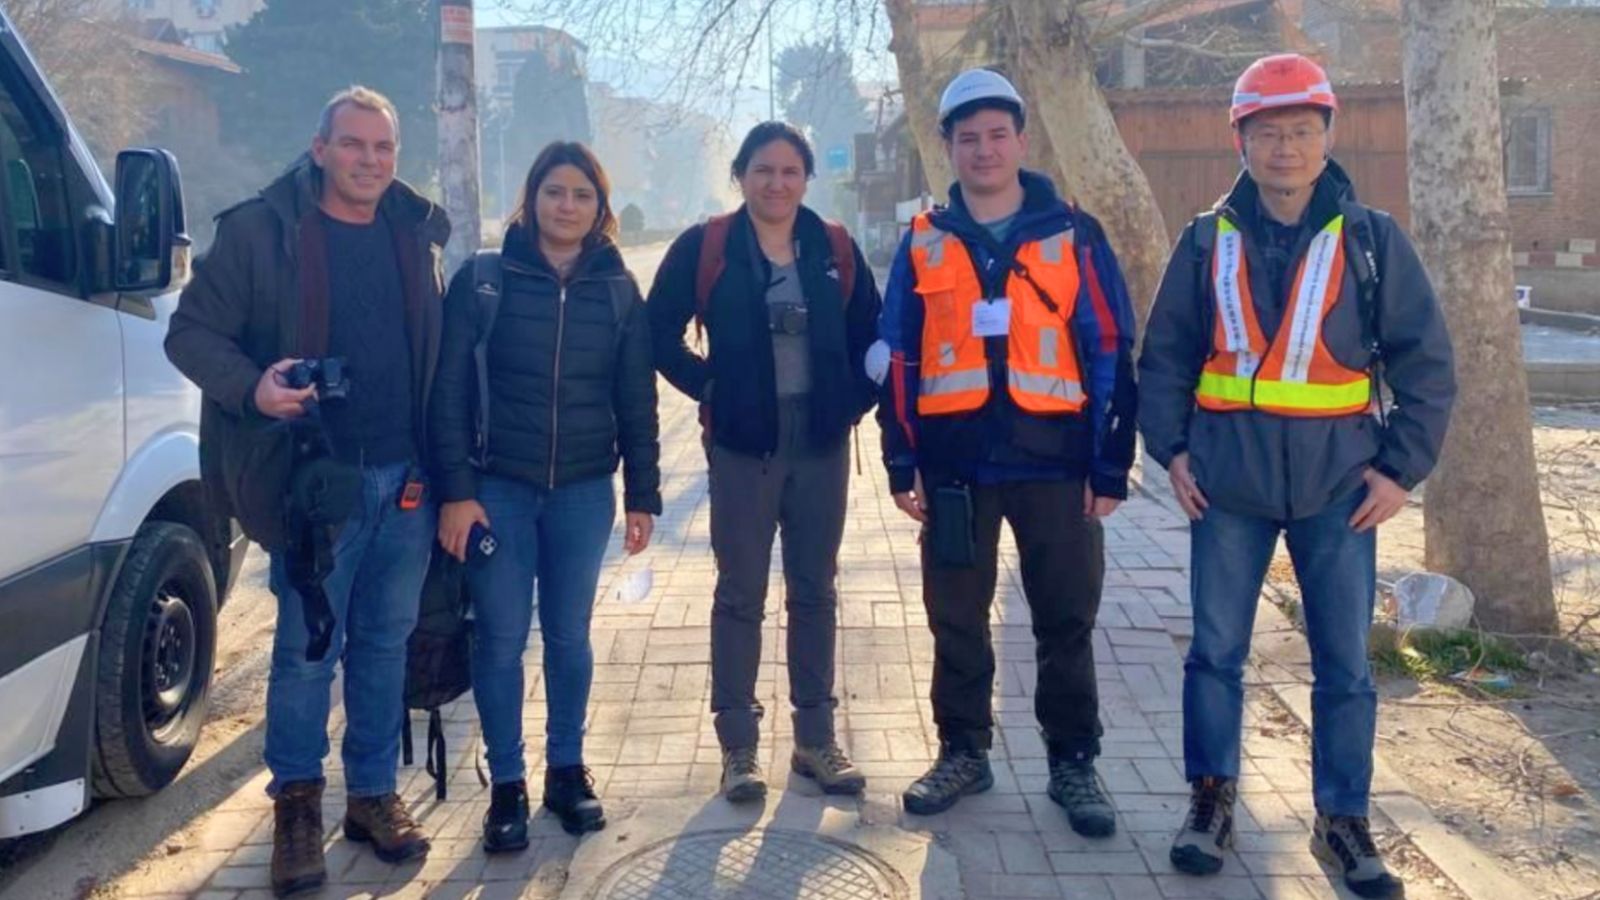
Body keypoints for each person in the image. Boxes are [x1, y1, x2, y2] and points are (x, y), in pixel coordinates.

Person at [1138, 54, 1456, 899]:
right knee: (1214, 655)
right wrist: (1169, 452)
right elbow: (1164, 359)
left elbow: (1427, 365)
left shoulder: (1373, 241)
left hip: (1341, 493)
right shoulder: (1204, 240)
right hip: (1228, 488)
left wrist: (1401, 472)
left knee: (1345, 665)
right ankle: (1210, 801)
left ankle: (1342, 820)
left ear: (1327, 138)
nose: (1286, 148)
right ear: (1239, 140)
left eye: (1302, 132)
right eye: (1269, 132)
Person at [165, 86, 448, 898]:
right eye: (353, 145)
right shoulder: (263, 231)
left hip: (407, 480)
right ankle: (296, 803)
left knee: (386, 642)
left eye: (383, 149)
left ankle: (369, 795)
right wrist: (253, 387)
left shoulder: (414, 231)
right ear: (320, 148)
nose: (369, 161)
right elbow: (189, 332)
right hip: (311, 485)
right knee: (303, 652)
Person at [874, 68, 1138, 833]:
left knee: (1065, 618)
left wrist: (1110, 464)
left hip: (1056, 464)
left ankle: (1073, 764)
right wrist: (901, 460)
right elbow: (898, 355)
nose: (984, 150)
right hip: (957, 467)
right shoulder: (924, 241)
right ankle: (964, 751)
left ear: (1021, 140)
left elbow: (1111, 345)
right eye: (968, 138)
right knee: (954, 616)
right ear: (948, 148)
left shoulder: (1074, 234)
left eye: (997, 135)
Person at [430, 142, 660, 848]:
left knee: (568, 637)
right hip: (498, 491)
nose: (567, 206)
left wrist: (644, 493)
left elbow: (635, 398)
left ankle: (566, 771)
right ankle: (507, 785)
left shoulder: (618, 289)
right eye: (554, 192)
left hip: (585, 493)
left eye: (582, 195)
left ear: (600, 209)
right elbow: (448, 394)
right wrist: (457, 492)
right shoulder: (485, 280)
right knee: (500, 638)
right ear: (531, 200)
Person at [649, 122, 882, 802]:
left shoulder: (834, 247)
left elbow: (877, 332)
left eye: (789, 171)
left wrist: (854, 401)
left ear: (806, 178)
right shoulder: (708, 246)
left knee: (815, 590)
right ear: (741, 176)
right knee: (740, 593)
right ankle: (739, 749)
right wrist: (710, 388)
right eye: (763, 170)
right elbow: (656, 332)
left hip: (820, 447)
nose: (776, 183)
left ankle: (815, 741)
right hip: (742, 450)